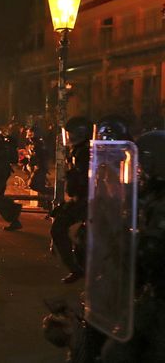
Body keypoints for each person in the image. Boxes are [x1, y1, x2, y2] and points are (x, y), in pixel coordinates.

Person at [100, 130, 165, 362]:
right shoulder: (151, 199)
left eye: (141, 167)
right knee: (115, 352)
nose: (137, 172)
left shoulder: (160, 206)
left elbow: (148, 254)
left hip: (160, 300)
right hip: (151, 295)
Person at [50, 116, 91, 284]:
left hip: (89, 199)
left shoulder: (85, 152)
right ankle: (78, 268)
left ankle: (78, 268)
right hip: (81, 198)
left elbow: (84, 180)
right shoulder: (78, 150)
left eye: (71, 133)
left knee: (60, 228)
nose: (69, 137)